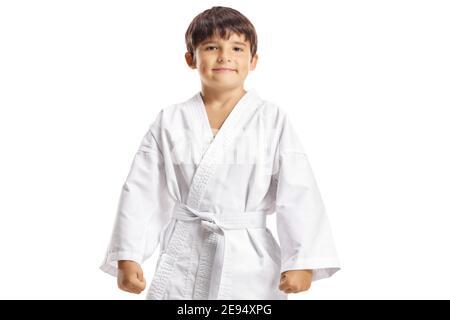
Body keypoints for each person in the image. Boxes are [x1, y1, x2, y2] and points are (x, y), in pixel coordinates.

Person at [100, 6, 341, 300]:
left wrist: (302, 261)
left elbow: (299, 191)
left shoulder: (271, 119)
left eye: (237, 48)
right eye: (212, 47)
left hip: (249, 259)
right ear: (191, 58)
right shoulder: (170, 120)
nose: (225, 56)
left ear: (253, 60)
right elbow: (141, 190)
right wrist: (128, 254)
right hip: (184, 253)